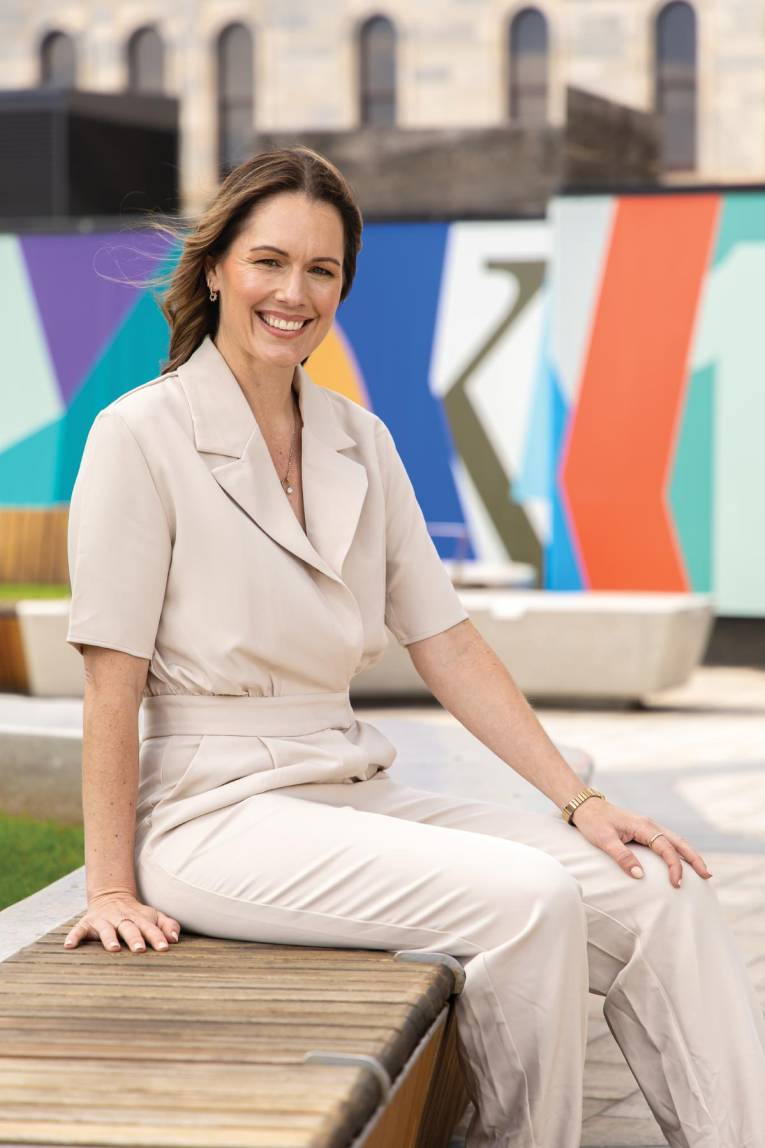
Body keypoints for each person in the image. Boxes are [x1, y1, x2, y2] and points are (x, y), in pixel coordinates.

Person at [63, 145, 765, 1148]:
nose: (293, 293)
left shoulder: (360, 439)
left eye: (323, 271)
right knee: (528, 903)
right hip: (209, 814)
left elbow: (449, 642)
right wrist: (109, 886)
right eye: (269, 261)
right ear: (215, 266)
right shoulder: (139, 434)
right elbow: (110, 681)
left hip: (344, 782)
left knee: (660, 887)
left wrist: (581, 798)